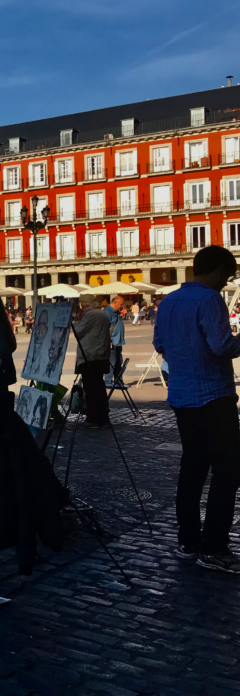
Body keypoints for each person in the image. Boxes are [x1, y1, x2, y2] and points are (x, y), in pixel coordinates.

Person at [154, 245, 240, 573]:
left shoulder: (169, 301)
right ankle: (214, 546)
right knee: (227, 470)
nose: (226, 283)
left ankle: (188, 540)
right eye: (227, 276)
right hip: (213, 395)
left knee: (193, 467)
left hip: (181, 395)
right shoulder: (209, 300)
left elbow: (159, 344)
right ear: (218, 270)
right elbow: (222, 346)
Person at [73, 303, 112, 428]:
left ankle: (93, 418)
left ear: (85, 305)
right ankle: (103, 417)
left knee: (91, 388)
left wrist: (78, 320)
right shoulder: (102, 313)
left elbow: (77, 332)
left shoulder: (90, 315)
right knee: (99, 387)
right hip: (100, 354)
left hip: (90, 355)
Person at [103, 295, 126, 386]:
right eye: (121, 304)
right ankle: (108, 381)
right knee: (111, 361)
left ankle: (118, 380)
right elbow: (104, 328)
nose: (122, 306)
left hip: (118, 341)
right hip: (112, 342)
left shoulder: (115, 311)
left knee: (118, 361)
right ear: (115, 302)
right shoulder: (107, 312)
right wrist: (108, 341)